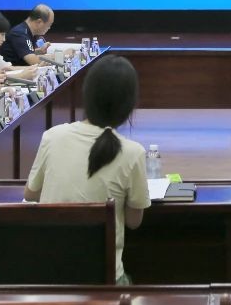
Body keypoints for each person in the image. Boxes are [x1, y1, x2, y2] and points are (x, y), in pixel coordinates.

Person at [24, 54, 149, 284]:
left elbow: (31, 194)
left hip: (47, 277)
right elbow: (133, 221)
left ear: (87, 95)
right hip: (105, 281)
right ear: (129, 104)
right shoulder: (133, 152)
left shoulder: (53, 136)